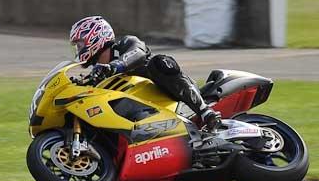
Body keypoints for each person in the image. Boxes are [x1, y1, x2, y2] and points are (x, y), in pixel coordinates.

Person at [69, 15, 221, 131]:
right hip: (146, 114)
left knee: (160, 62)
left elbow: (138, 52)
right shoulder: (99, 73)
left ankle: (206, 112)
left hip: (175, 93)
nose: (78, 49)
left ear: (96, 37)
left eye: (80, 44)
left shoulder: (127, 43)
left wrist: (115, 66)